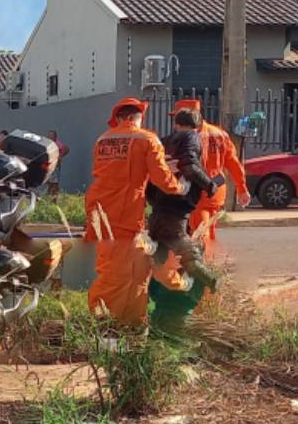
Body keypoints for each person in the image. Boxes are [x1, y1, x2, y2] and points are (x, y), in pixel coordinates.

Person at [83, 97, 183, 326]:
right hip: (124, 215)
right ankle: (108, 328)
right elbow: (161, 179)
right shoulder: (147, 139)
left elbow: (110, 173)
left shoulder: (103, 139)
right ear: (133, 118)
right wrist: (180, 186)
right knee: (118, 277)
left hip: (101, 212)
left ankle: (132, 328)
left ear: (118, 118)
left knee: (135, 273)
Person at [146, 109, 221, 291]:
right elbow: (189, 165)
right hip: (176, 209)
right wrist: (209, 185)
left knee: (157, 259)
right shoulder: (190, 138)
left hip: (158, 209)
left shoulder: (163, 142)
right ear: (197, 126)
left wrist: (152, 197)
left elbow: (153, 172)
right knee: (190, 255)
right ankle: (214, 283)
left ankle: (153, 297)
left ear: (176, 124)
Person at [172, 100, 251, 255]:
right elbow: (233, 164)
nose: (175, 126)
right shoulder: (220, 134)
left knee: (201, 233)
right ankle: (213, 262)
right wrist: (242, 188)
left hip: (199, 192)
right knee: (209, 229)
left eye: (178, 121)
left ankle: (205, 266)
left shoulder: (191, 139)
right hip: (217, 191)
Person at [46, 130, 69, 196]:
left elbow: (66, 149)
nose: (50, 137)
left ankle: (54, 198)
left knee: (55, 183)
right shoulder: (47, 143)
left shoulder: (57, 143)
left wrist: (60, 156)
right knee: (48, 182)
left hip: (55, 166)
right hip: (48, 165)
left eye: (52, 136)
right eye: (49, 136)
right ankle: (49, 197)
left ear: (55, 137)